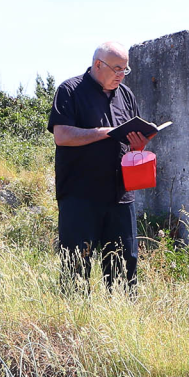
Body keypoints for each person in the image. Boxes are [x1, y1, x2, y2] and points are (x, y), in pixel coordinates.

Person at [47, 41, 150, 290]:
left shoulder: (126, 96)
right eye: (116, 69)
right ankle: (75, 320)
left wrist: (138, 145)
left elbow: (130, 143)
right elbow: (62, 135)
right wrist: (105, 132)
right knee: (76, 265)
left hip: (120, 195)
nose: (121, 75)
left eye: (125, 70)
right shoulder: (69, 90)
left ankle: (121, 318)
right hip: (80, 196)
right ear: (97, 65)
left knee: (125, 265)